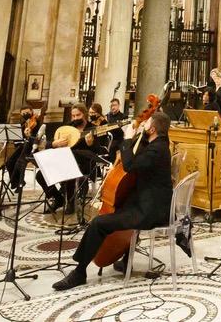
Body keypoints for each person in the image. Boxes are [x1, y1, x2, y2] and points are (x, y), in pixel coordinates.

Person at [52, 111, 174, 291]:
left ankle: (79, 273)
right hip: (148, 204)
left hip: (150, 212)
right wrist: (136, 135)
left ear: (153, 128)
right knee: (119, 210)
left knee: (98, 223)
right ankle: (125, 258)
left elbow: (130, 165)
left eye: (147, 123)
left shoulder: (157, 150)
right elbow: (137, 158)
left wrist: (127, 138)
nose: (144, 125)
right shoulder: (158, 144)